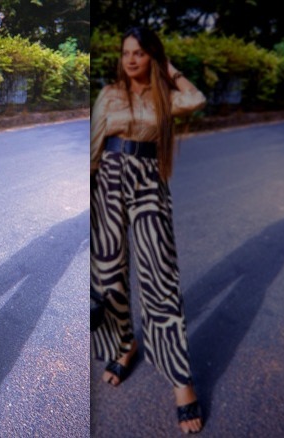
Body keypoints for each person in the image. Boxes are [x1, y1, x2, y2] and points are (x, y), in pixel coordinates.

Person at [90, 27, 206, 434]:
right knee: (107, 276)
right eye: (127, 54)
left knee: (161, 277)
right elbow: (93, 149)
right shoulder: (109, 94)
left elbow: (197, 99)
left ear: (152, 57)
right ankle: (125, 345)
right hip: (108, 181)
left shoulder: (164, 97)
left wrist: (168, 69)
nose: (132, 60)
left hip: (148, 183)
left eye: (141, 53)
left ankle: (180, 379)